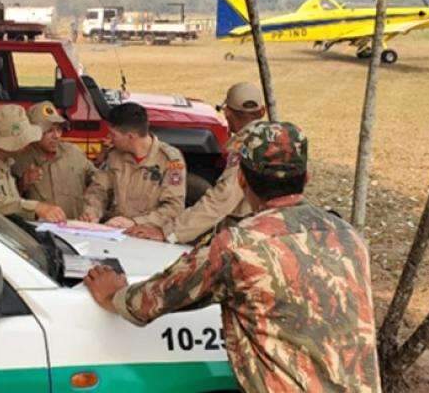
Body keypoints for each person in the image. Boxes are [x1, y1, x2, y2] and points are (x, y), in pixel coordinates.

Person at [84, 121, 380, 392]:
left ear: (241, 181)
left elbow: (153, 300)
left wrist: (114, 295)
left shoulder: (239, 246)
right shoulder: (348, 236)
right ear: (307, 177)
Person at [127, 82, 265, 243]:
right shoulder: (281, 137)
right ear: (262, 111)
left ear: (227, 112)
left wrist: (169, 232)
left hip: (253, 227)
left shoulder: (245, 145)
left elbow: (222, 199)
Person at [80, 102, 186, 229]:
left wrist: (136, 222)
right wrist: (92, 212)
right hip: (113, 231)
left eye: (113, 134)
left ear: (130, 136)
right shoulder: (114, 156)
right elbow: (98, 190)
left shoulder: (170, 160)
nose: (109, 138)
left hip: (147, 234)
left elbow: (174, 208)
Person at [13, 101, 96, 219]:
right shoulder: (20, 159)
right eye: (49, 131)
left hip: (74, 228)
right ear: (34, 132)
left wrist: (92, 209)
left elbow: (97, 181)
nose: (56, 135)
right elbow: (9, 202)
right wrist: (23, 183)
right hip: (37, 231)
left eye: (58, 129)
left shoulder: (73, 152)